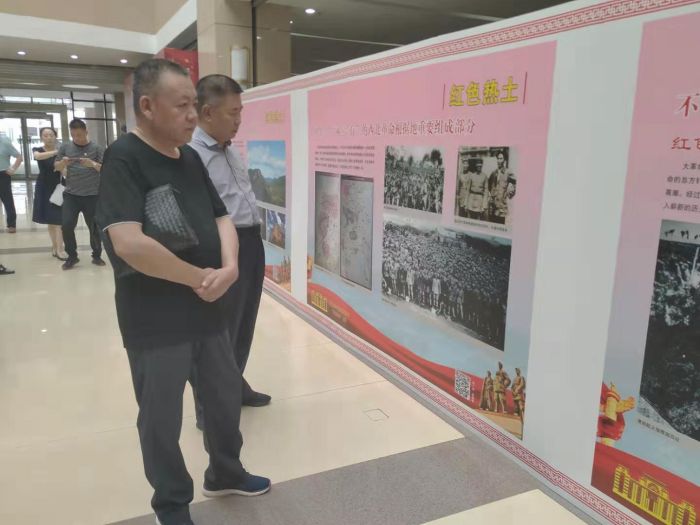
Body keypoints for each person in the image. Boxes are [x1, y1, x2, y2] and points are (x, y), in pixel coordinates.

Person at [96, 58, 270, 525]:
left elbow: (221, 216)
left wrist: (230, 267)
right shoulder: (124, 158)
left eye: (195, 104)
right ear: (147, 106)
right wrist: (199, 277)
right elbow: (128, 243)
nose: (193, 115)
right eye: (182, 106)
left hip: (208, 307)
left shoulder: (189, 158)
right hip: (155, 317)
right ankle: (172, 504)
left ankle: (226, 471)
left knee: (223, 396)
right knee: (161, 417)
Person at [189, 73, 271, 422]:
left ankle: (234, 384)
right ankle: (208, 406)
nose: (239, 121)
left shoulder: (228, 147)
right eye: (232, 113)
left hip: (250, 242)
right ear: (208, 113)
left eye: (240, 112)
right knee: (217, 331)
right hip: (222, 248)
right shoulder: (191, 155)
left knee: (243, 322)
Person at [55, 119, 105, 270]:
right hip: (71, 195)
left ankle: (96, 255)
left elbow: (105, 169)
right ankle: (72, 256)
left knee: (94, 227)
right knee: (66, 225)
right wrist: (63, 163)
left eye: (79, 135)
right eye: (73, 135)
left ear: (86, 132)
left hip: (92, 195)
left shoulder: (97, 148)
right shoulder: (65, 147)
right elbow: (56, 166)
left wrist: (93, 164)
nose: (77, 138)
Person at [33, 127, 67, 259]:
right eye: (45, 135)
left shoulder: (61, 152)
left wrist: (64, 165)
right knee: (50, 221)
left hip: (57, 186)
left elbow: (64, 171)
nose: (49, 138)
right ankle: (54, 246)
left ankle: (60, 249)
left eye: (51, 135)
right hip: (43, 186)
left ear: (55, 136)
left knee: (58, 220)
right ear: (41, 137)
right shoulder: (38, 149)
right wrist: (56, 152)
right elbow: (37, 156)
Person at [0, 134, 23, 233]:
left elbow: (19, 157)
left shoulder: (4, 142)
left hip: (2, 174)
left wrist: (13, 168)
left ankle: (11, 224)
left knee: (7, 200)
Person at [488, 150, 516, 225]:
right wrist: (492, 195)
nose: (499, 160)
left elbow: (516, 182)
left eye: (501, 158)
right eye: (498, 158)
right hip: (493, 206)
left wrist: (510, 193)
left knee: (499, 226)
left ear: (504, 160)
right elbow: (489, 185)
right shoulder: (494, 173)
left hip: (501, 206)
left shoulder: (508, 172)